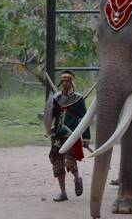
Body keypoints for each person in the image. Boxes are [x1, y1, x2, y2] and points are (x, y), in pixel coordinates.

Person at [44, 70, 90, 202]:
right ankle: (63, 192)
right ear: (60, 82)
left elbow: (84, 119)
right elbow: (50, 115)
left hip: (71, 135)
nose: (65, 83)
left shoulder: (78, 99)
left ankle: (77, 180)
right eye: (63, 80)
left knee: (70, 162)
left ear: (71, 82)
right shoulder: (56, 98)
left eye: (67, 80)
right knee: (57, 162)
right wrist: (49, 129)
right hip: (58, 135)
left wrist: (86, 138)